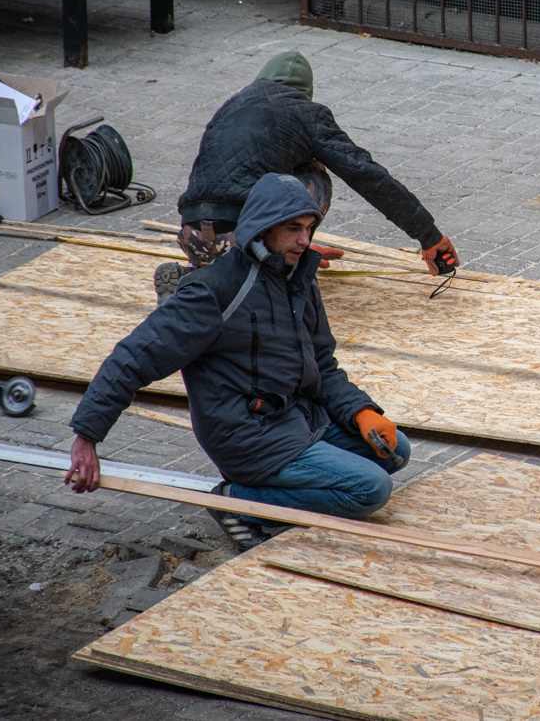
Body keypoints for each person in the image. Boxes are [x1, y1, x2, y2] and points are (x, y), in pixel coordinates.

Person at [66, 173, 411, 552]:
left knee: (395, 451)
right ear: (263, 228)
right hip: (247, 435)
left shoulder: (298, 278)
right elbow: (133, 358)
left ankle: (278, 486)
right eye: (293, 229)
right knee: (369, 489)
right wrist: (87, 436)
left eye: (309, 228)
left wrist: (360, 412)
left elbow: (322, 366)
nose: (305, 240)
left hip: (296, 418)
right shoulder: (214, 292)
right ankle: (240, 501)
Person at [156, 50, 459, 303]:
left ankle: (198, 280)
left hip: (192, 232)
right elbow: (367, 176)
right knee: (314, 175)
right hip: (244, 235)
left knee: (255, 186)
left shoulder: (232, 105)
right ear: (304, 92)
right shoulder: (306, 112)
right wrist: (429, 236)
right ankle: (280, 265)